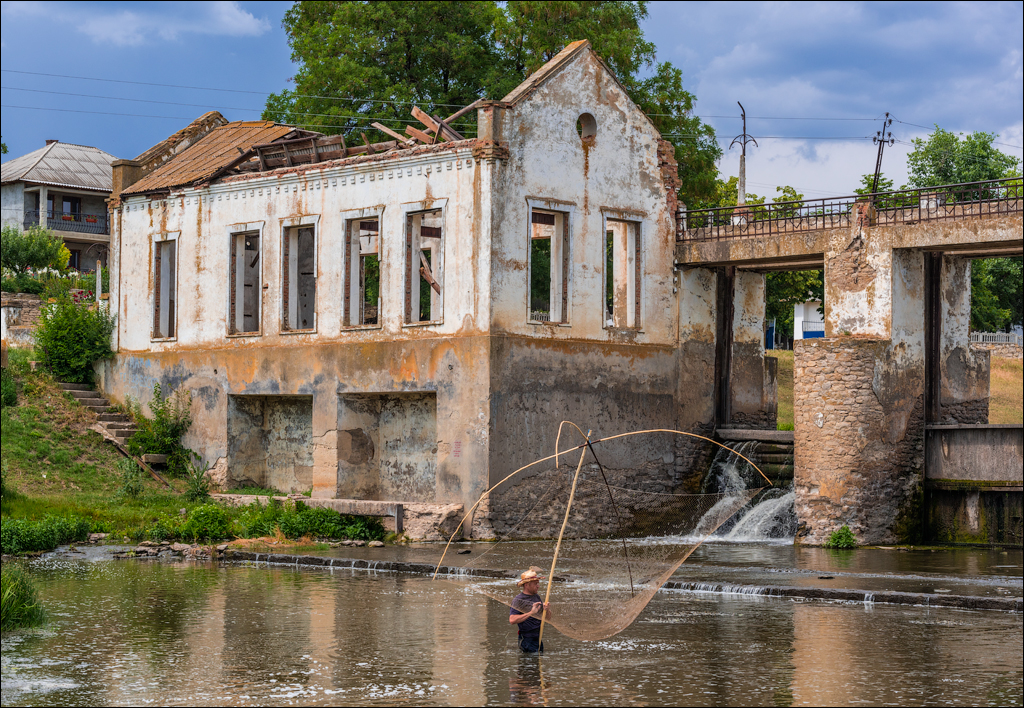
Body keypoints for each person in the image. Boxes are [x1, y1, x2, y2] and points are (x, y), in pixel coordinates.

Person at [509, 569, 551, 653]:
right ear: (527, 585)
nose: (538, 586)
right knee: (528, 664)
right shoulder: (518, 600)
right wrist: (531, 613)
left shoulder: (536, 597)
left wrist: (547, 610)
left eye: (538, 583)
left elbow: (548, 618)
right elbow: (512, 620)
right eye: (536, 584)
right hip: (526, 639)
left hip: (538, 637)